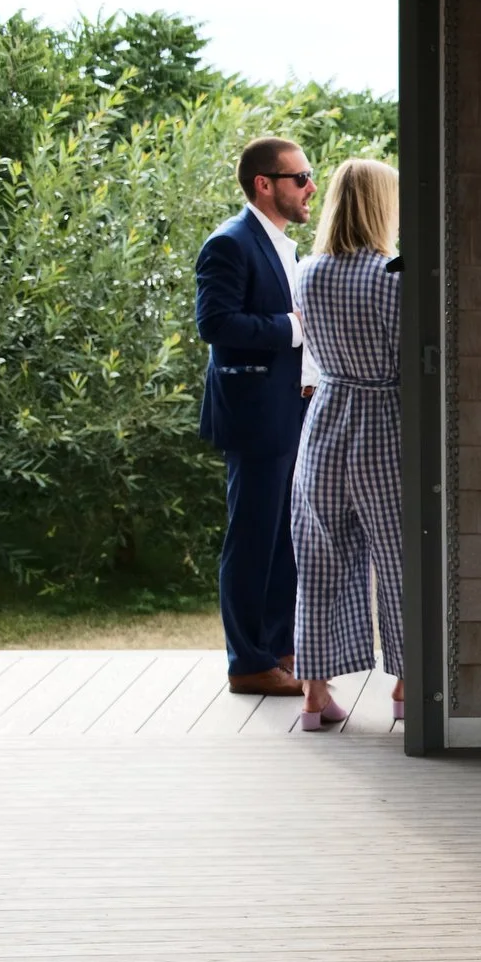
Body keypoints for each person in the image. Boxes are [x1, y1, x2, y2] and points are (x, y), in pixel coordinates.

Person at [196, 136, 315, 695]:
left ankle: (278, 649)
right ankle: (247, 663)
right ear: (265, 184)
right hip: (252, 414)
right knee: (251, 537)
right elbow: (215, 325)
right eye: (300, 178)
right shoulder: (230, 243)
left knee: (283, 537)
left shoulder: (285, 245)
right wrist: (292, 327)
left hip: (289, 410)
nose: (310, 187)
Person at [290, 159, 405, 730]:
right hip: (382, 421)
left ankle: (314, 698)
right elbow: (409, 362)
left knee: (319, 560)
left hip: (325, 420)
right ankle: (409, 689)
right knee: (403, 560)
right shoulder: (391, 276)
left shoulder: (308, 271)